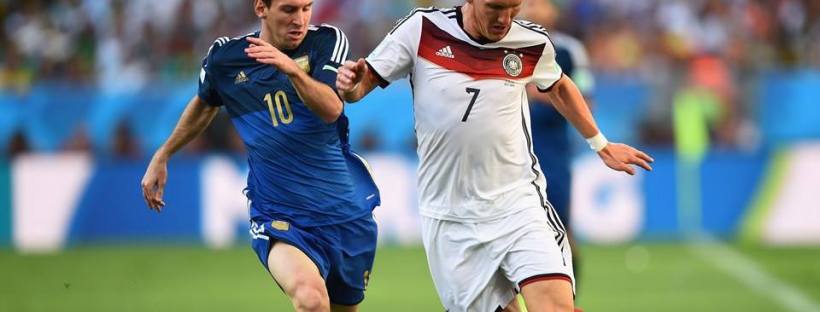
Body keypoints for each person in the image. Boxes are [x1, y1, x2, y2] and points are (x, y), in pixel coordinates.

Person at [336, 1, 653, 311]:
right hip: (450, 217)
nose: (505, 18)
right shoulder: (422, 30)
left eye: (513, 8)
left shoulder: (530, 42)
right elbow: (363, 83)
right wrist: (350, 85)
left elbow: (558, 86)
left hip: (517, 204)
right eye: (495, 8)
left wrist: (600, 144)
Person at [140, 1, 380, 311]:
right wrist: (163, 154)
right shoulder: (227, 58)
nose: (300, 20)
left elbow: (332, 109)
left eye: (306, 8)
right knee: (310, 300)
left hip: (344, 214)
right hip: (279, 214)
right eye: (289, 10)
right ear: (261, 8)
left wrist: (290, 68)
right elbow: (205, 103)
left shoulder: (327, 41)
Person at [522, 0, 595, 289]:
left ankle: (570, 297)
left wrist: (533, 91)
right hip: (509, 153)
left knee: (561, 229)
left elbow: (585, 98)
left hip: (551, 152)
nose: (534, 9)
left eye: (540, 3)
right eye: (528, 4)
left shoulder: (568, 50)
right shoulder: (501, 44)